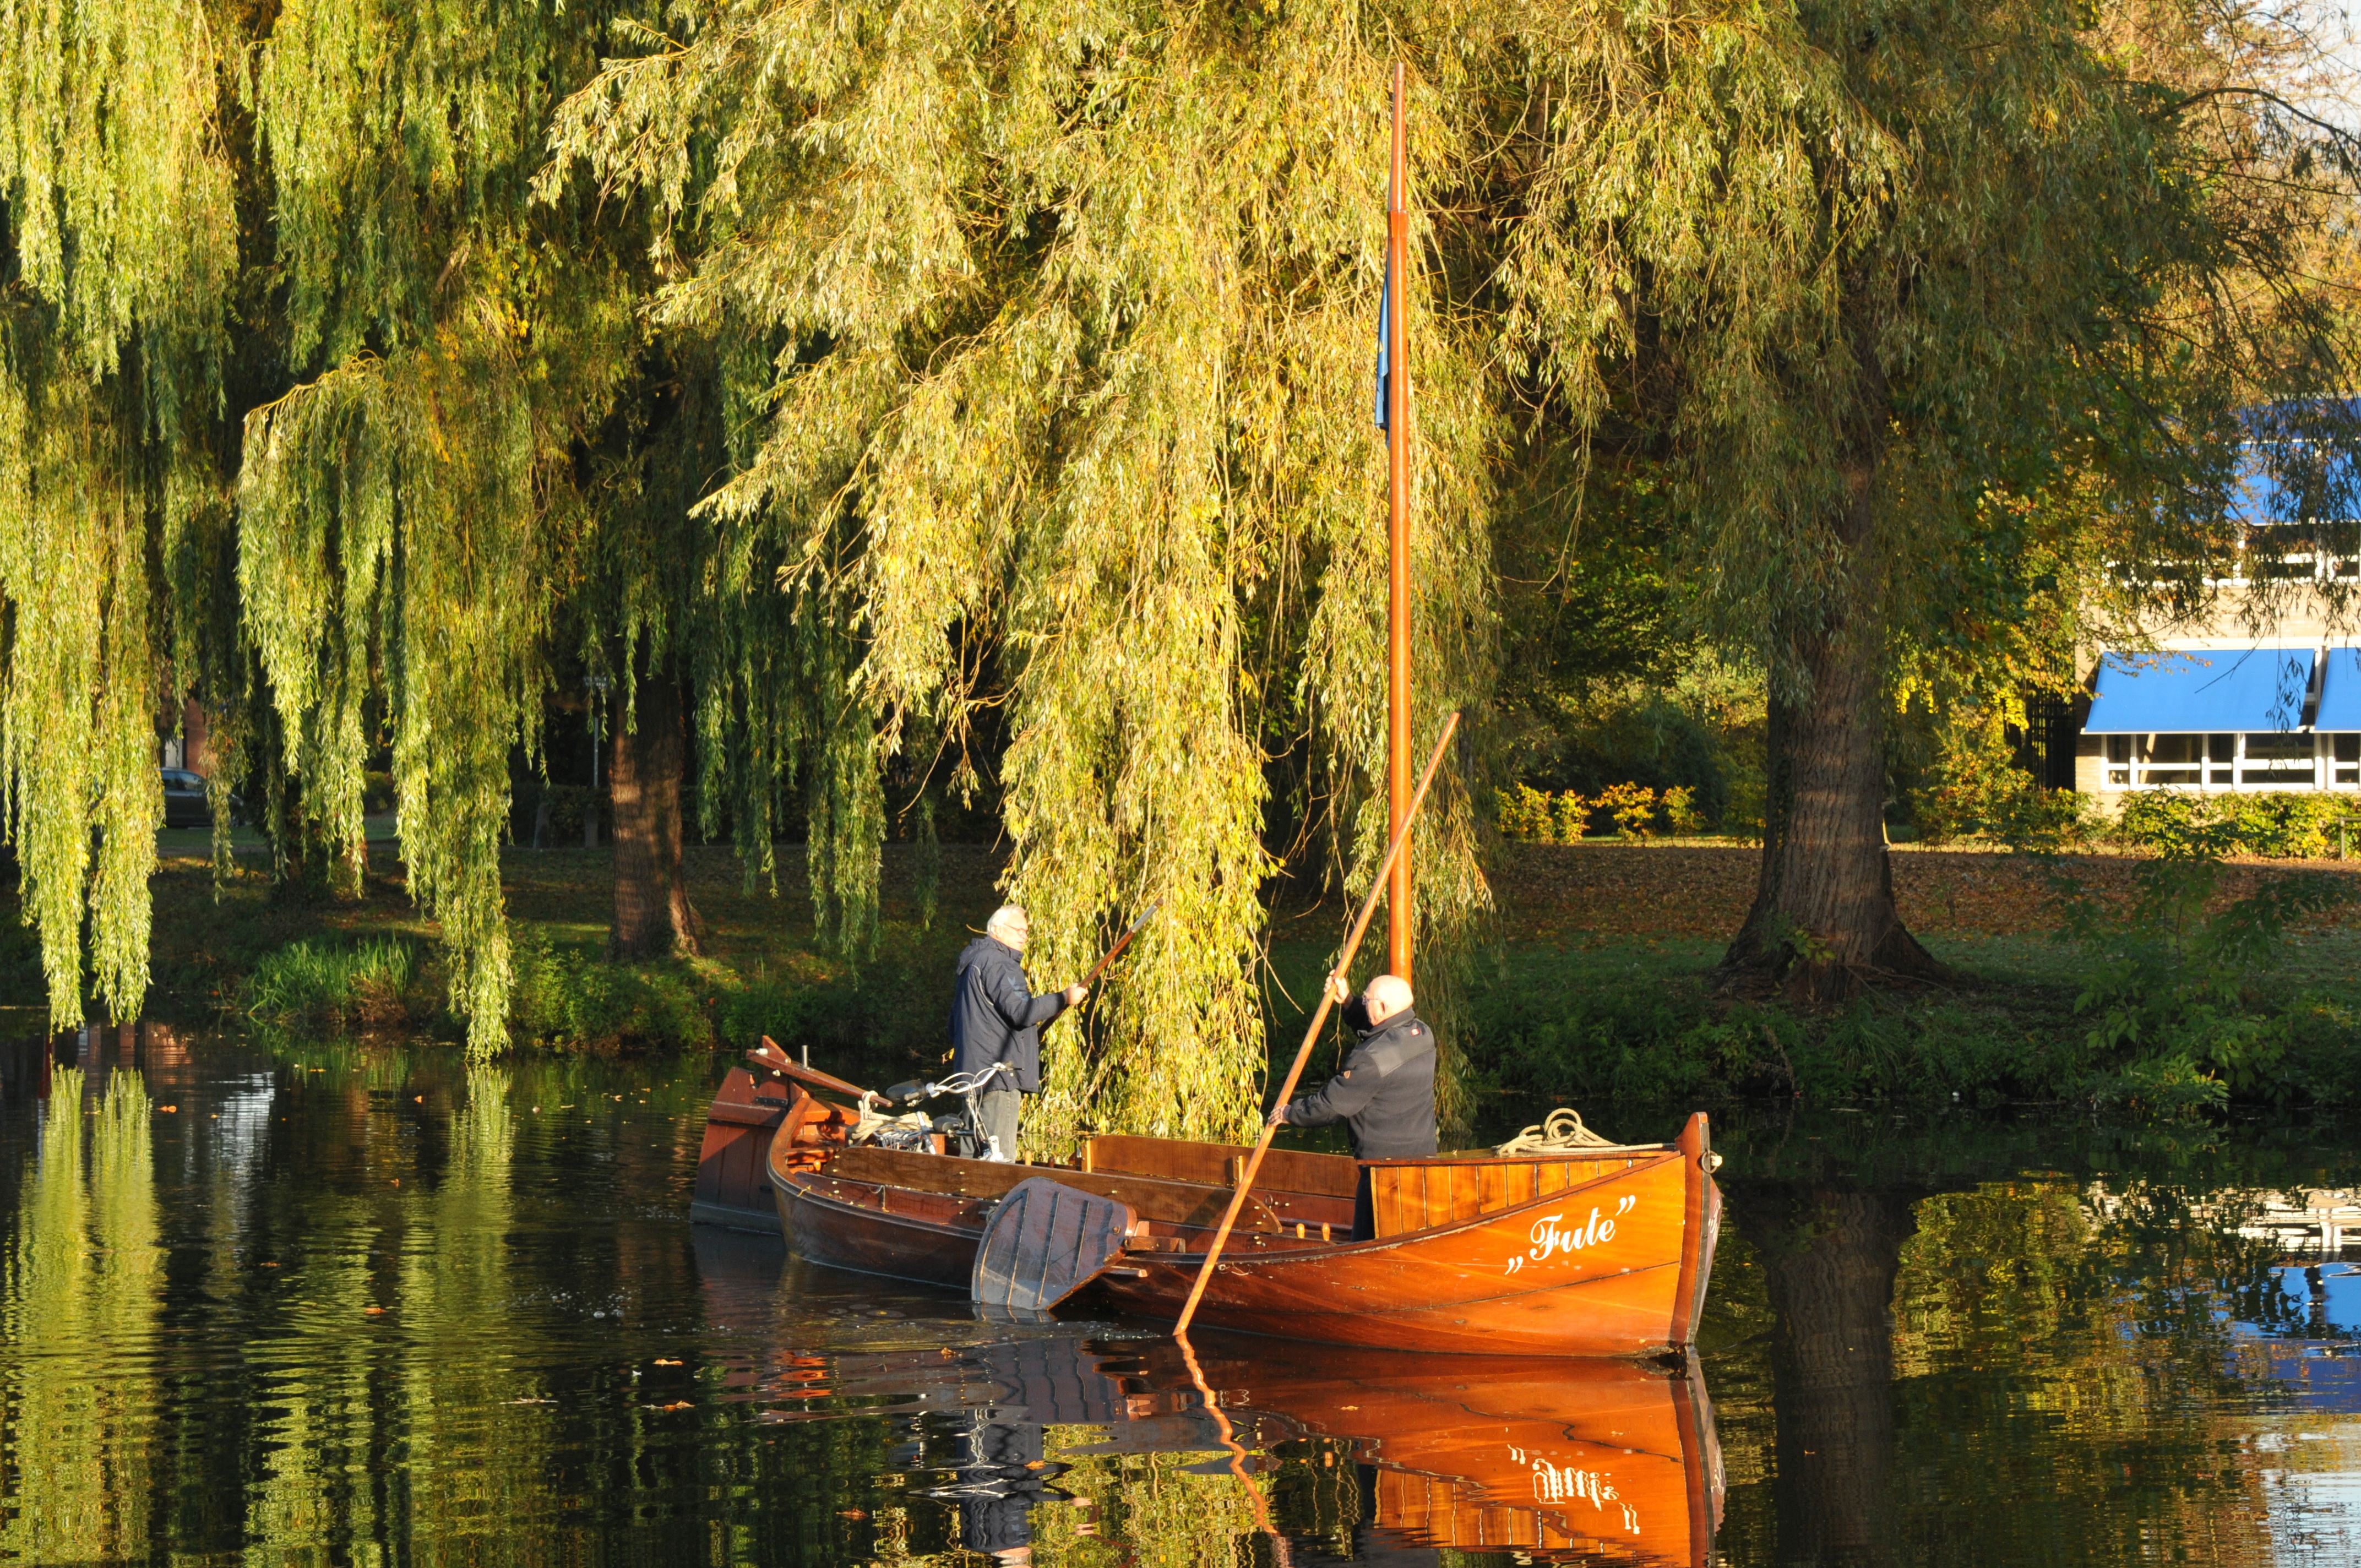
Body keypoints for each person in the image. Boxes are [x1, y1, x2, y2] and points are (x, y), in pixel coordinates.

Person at [1274, 971, 1437, 1237]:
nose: (1364, 1002)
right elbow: (1381, 1031)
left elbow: (1331, 1106)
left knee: (1365, 1240)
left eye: (1366, 1000)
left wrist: (1290, 1113)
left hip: (1381, 1170)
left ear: (1382, 1007)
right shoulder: (1422, 1034)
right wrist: (1348, 1001)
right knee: (1410, 1233)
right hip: (1422, 1160)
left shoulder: (1369, 1061)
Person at [949, 905, 1086, 1161]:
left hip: (970, 1076)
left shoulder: (973, 962)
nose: (1024, 936)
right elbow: (1022, 1012)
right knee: (1000, 1160)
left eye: (1026, 931)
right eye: (1018, 930)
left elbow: (954, 1025)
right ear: (998, 930)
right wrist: (1064, 998)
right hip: (998, 1078)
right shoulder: (999, 963)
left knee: (971, 1159)